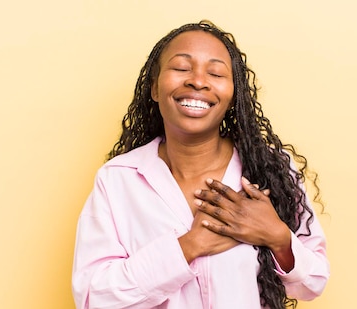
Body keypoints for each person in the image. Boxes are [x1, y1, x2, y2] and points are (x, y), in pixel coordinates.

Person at [72, 20, 329, 309]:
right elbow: (94, 298)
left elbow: (313, 282)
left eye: (216, 72)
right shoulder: (118, 180)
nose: (198, 80)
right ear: (154, 88)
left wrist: (278, 237)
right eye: (181, 68)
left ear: (233, 96)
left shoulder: (270, 168)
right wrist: (189, 246)